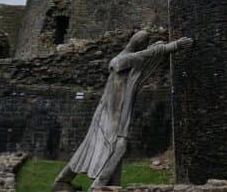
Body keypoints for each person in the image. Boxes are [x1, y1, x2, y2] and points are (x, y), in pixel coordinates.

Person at [52, 30, 193, 190]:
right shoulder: (121, 59)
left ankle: (63, 181)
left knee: (90, 147)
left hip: (111, 110)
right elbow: (141, 57)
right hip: (112, 113)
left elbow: (144, 57)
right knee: (118, 146)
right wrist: (174, 46)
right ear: (138, 44)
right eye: (144, 42)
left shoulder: (128, 58)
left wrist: (157, 48)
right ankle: (97, 186)